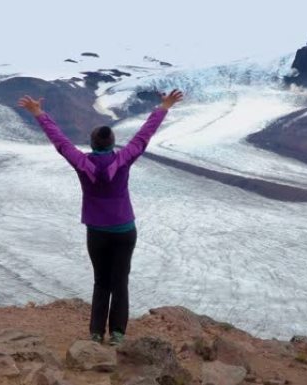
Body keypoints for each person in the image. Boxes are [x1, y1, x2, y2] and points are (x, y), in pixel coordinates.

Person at [18, 89, 184, 345]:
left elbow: (61, 142)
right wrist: (163, 107)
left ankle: (96, 334)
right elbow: (142, 137)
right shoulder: (124, 159)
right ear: (111, 143)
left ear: (93, 144)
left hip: (97, 232)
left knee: (101, 282)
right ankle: (117, 335)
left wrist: (39, 113)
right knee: (120, 282)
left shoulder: (83, 163)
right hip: (124, 230)